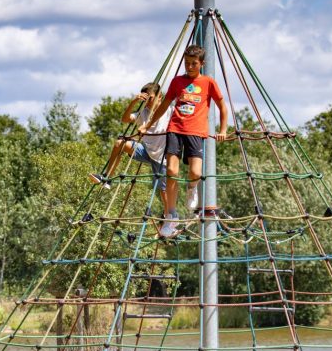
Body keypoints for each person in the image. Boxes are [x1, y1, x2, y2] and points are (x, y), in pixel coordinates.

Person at [138, 45, 228, 238]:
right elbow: (162, 106)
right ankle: (171, 216)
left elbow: (222, 106)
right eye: (187, 63)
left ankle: (191, 188)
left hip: (196, 132)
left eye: (194, 63)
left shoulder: (208, 82)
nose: (189, 67)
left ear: (202, 64)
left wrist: (223, 130)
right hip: (175, 129)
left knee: (195, 172)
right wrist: (148, 125)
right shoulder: (177, 81)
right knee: (171, 171)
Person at [89, 82, 171, 203]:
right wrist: (134, 102)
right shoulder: (143, 113)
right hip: (146, 152)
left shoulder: (168, 111)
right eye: (145, 99)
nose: (148, 102)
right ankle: (107, 178)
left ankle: (169, 215)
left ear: (160, 96)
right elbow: (125, 119)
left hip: (162, 157)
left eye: (151, 98)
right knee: (120, 143)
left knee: (163, 190)